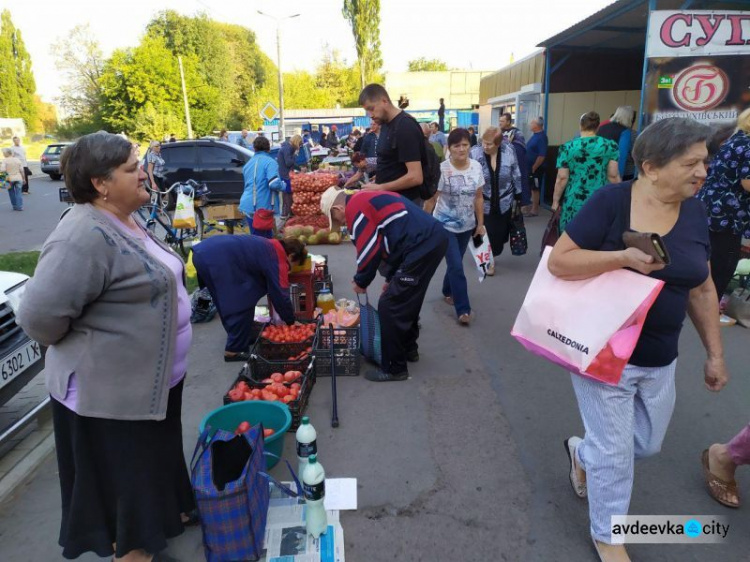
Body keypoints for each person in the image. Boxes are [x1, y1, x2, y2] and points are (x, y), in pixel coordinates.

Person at [548, 118, 729, 562]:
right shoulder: (611, 202)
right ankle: (609, 536)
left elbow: (702, 287)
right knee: (616, 453)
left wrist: (714, 354)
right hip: (603, 349)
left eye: (704, 161)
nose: (702, 172)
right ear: (650, 166)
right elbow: (560, 262)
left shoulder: (695, 211)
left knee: (645, 443)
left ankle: (582, 452)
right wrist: (621, 257)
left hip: (660, 356)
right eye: (691, 163)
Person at [16, 132, 197, 561]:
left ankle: (149, 538)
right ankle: (134, 552)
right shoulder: (82, 234)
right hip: (109, 402)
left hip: (147, 392)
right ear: (100, 183)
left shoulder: (125, 219)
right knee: (126, 495)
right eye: (133, 169)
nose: (145, 175)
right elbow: (38, 319)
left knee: (145, 483)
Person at [320, 186, 448, 382]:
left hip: (422, 243)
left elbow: (369, 249)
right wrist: (391, 279)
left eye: (336, 219)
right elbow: (389, 241)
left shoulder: (355, 207)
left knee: (390, 305)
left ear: (337, 208)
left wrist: (361, 280)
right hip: (427, 241)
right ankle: (408, 349)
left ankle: (395, 368)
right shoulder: (364, 199)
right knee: (406, 298)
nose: (341, 224)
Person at [192, 236, 307, 362]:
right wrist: (291, 320)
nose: (290, 270)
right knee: (241, 300)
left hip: (203, 253)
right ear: (291, 256)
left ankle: (242, 336)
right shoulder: (278, 257)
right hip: (217, 259)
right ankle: (234, 350)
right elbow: (280, 294)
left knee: (226, 298)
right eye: (293, 265)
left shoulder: (270, 246)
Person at [423, 129, 485, 325]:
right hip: (444, 225)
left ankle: (447, 290)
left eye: (465, 145)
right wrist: (424, 225)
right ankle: (463, 309)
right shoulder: (442, 169)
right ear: (449, 148)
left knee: (454, 263)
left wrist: (481, 223)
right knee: (457, 266)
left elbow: (479, 197)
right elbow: (432, 199)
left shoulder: (476, 167)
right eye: (456, 145)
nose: (461, 149)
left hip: (467, 225)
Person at [697, 107, 750, 308]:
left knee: (709, 258)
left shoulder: (735, 141)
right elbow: (747, 182)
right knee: (725, 262)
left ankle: (701, 303)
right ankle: (711, 308)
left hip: (712, 207)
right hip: (729, 213)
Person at [552, 111, 621, 231]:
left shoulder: (567, 147)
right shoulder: (610, 146)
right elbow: (613, 175)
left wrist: (555, 201)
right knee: (597, 234)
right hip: (600, 198)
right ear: (598, 126)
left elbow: (562, 178)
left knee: (571, 235)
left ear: (580, 126)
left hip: (574, 199)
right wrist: (620, 197)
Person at [358, 84, 425, 204]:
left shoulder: (405, 126)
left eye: (371, 108)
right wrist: (379, 179)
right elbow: (392, 163)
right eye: (367, 111)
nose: (370, 115)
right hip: (390, 202)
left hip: (404, 205)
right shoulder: (385, 125)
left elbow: (416, 176)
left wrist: (381, 187)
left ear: (384, 101)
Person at [469, 127, 522, 275]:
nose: (485, 146)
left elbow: (516, 173)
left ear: (498, 144)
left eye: (489, 144)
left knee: (499, 234)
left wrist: (519, 194)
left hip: (504, 200)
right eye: (484, 143)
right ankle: (488, 262)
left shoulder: (509, 151)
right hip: (482, 201)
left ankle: (493, 253)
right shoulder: (475, 153)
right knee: (486, 231)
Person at [239, 136, 283, 238]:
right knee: (263, 242)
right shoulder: (270, 162)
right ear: (268, 149)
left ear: (254, 148)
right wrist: (284, 186)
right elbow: (274, 183)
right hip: (261, 207)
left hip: (248, 205)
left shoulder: (248, 164)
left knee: (258, 238)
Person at [499, 112, 531, 211]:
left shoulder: (517, 133)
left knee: (519, 183)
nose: (500, 123)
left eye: (502, 121)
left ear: (508, 122)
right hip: (502, 165)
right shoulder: (498, 132)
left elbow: (519, 148)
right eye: (500, 121)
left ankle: (521, 205)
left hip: (516, 164)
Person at [597, 106, 636, 180]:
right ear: (629, 118)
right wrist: (619, 177)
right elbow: (622, 156)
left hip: (599, 170)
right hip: (616, 173)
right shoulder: (625, 132)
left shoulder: (601, 127)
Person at [525, 118, 548, 216]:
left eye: (532, 123)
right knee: (532, 187)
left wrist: (534, 167)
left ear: (537, 125)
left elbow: (542, 155)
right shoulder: (535, 135)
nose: (530, 124)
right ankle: (531, 205)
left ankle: (534, 210)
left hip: (536, 168)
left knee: (535, 188)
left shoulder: (541, 137)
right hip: (530, 167)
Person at [278, 134, 303, 219]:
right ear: (297, 142)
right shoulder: (287, 148)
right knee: (287, 194)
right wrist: (295, 155)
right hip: (285, 175)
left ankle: (288, 212)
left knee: (288, 194)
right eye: (300, 144)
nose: (299, 146)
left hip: (286, 173)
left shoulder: (288, 148)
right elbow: (288, 162)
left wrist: (299, 168)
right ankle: (286, 213)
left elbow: (290, 163)